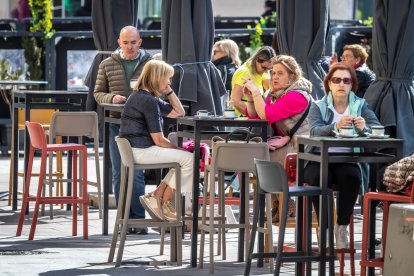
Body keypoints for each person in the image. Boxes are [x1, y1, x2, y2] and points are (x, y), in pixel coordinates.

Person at [303, 63, 381, 249]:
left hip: (347, 159)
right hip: (318, 158)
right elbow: (314, 130)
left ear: (352, 85)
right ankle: (326, 228)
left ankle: (342, 226)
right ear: (329, 83)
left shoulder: (360, 106)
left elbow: (378, 129)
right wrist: (335, 127)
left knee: (352, 178)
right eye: (336, 80)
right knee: (319, 178)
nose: (341, 84)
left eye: (346, 81)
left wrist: (365, 128)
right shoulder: (318, 105)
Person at [94, 26, 152, 234]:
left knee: (136, 172)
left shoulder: (150, 63)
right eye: (125, 42)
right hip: (116, 124)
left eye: (133, 42)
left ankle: (138, 220)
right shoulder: (107, 64)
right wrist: (112, 98)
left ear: (140, 42)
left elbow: (160, 90)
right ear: (119, 42)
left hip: (140, 126)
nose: (129, 46)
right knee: (119, 172)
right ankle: (124, 220)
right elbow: (98, 93)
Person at [119, 60, 193, 222]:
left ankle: (158, 195)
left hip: (135, 150)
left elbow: (179, 112)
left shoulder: (143, 96)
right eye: (168, 78)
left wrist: (169, 91)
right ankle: (164, 201)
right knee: (189, 159)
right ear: (158, 78)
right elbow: (159, 140)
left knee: (183, 162)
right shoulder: (148, 101)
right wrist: (180, 150)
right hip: (140, 151)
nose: (170, 82)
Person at [243, 54, 313, 222]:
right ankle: (279, 202)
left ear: (292, 76)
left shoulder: (297, 95)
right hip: (288, 144)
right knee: (259, 156)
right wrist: (251, 98)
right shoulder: (275, 94)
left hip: (304, 148)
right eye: (273, 72)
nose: (274, 77)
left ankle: (284, 201)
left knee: (263, 160)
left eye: (280, 73)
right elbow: (255, 117)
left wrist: (256, 92)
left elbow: (267, 115)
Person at [231, 46, 276, 116]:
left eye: (269, 69)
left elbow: (271, 91)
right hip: (243, 119)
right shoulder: (245, 72)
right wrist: (255, 115)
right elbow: (235, 100)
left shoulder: (263, 71)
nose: (266, 71)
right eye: (264, 68)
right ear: (257, 61)